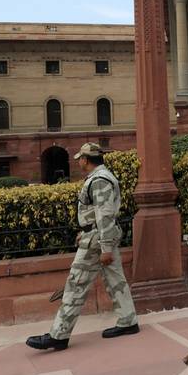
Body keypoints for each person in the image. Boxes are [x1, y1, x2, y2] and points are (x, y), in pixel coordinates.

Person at [26, 142, 139, 351]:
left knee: (75, 285)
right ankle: (128, 321)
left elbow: (104, 214)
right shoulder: (101, 177)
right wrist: (87, 231)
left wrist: (103, 246)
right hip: (99, 236)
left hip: (97, 241)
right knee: (116, 280)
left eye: (80, 158)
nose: (78, 161)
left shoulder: (99, 180)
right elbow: (99, 214)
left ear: (86, 159)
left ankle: (58, 335)